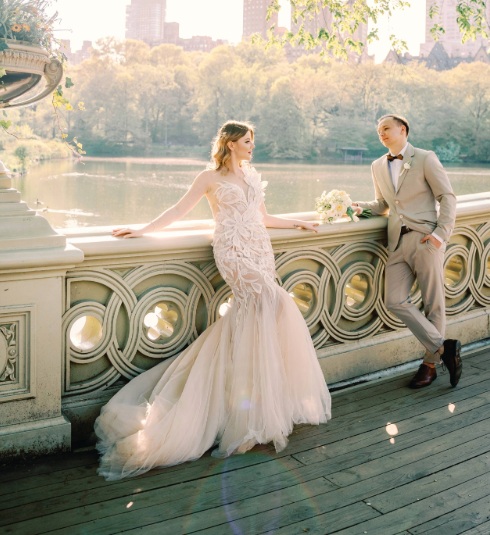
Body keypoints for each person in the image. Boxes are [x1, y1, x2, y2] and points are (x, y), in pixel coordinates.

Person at [95, 120, 331, 479]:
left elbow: (263, 218)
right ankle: (243, 415)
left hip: (259, 250)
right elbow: (178, 211)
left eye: (253, 141)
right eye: (248, 141)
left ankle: (251, 411)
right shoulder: (208, 178)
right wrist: (142, 229)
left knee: (259, 321)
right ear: (231, 143)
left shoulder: (252, 176)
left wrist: (299, 224)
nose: (253, 146)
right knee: (277, 302)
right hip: (233, 252)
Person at [352, 114, 461, 390]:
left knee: (433, 303)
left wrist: (440, 235)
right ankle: (443, 347)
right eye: (378, 131)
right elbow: (382, 205)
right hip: (397, 243)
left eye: (386, 129)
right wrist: (354, 208)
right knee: (395, 300)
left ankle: (429, 366)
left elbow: (447, 197)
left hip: (426, 240)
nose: (382, 134)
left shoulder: (425, 158)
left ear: (403, 130)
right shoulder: (377, 165)